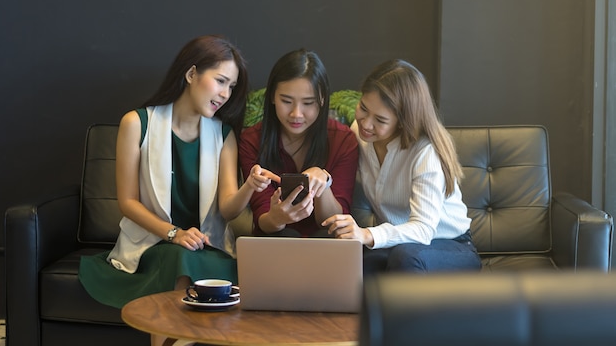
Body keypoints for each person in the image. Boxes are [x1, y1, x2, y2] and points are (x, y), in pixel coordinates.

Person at [78, 35, 277, 321]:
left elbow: (228, 209)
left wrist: (249, 186)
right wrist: (174, 234)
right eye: (220, 81)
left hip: (207, 248)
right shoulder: (136, 123)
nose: (225, 94)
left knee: (188, 259)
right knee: (178, 258)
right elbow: (127, 202)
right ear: (191, 73)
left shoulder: (224, 135)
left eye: (231, 87)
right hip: (152, 244)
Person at [322, 59, 481, 273]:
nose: (366, 124)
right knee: (360, 265)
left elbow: (423, 230)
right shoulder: (359, 134)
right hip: (398, 244)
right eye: (363, 108)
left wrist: (367, 234)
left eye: (380, 119)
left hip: (451, 245)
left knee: (405, 258)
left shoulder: (425, 152)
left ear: (403, 121)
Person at [238, 49, 359, 237]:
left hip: (324, 243)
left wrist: (323, 183)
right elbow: (262, 216)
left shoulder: (343, 140)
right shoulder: (252, 140)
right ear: (272, 97)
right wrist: (276, 218)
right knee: (285, 234)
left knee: (324, 236)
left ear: (322, 100)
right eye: (286, 101)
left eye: (308, 103)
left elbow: (334, 223)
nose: (296, 114)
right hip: (274, 241)